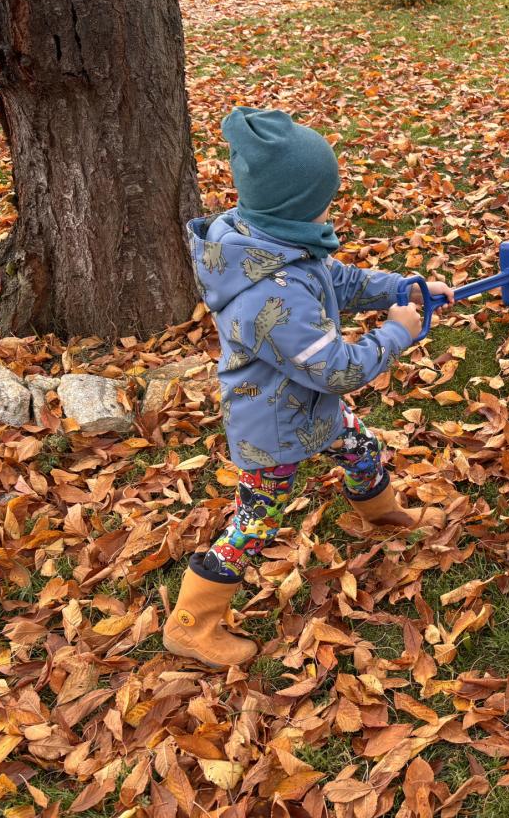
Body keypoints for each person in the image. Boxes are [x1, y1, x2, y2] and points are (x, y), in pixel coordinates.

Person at [166, 108, 452, 669]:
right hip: (272, 428)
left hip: (309, 409)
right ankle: (192, 624)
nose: (331, 207)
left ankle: (378, 512)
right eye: (325, 198)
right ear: (294, 204)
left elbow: (337, 280)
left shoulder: (277, 243)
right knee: (256, 520)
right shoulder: (268, 293)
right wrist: (396, 333)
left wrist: (403, 289)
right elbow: (337, 369)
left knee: (361, 446)